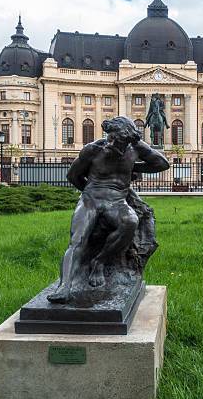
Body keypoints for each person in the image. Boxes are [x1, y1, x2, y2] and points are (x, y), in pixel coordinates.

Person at [48, 116, 169, 303]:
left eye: (117, 139)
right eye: (110, 136)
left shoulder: (135, 148)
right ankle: (64, 287)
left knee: (131, 221)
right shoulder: (93, 149)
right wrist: (89, 196)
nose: (111, 142)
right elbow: (73, 176)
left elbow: (162, 163)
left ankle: (99, 262)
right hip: (91, 198)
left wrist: (133, 166)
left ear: (128, 140)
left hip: (118, 201)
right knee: (77, 239)